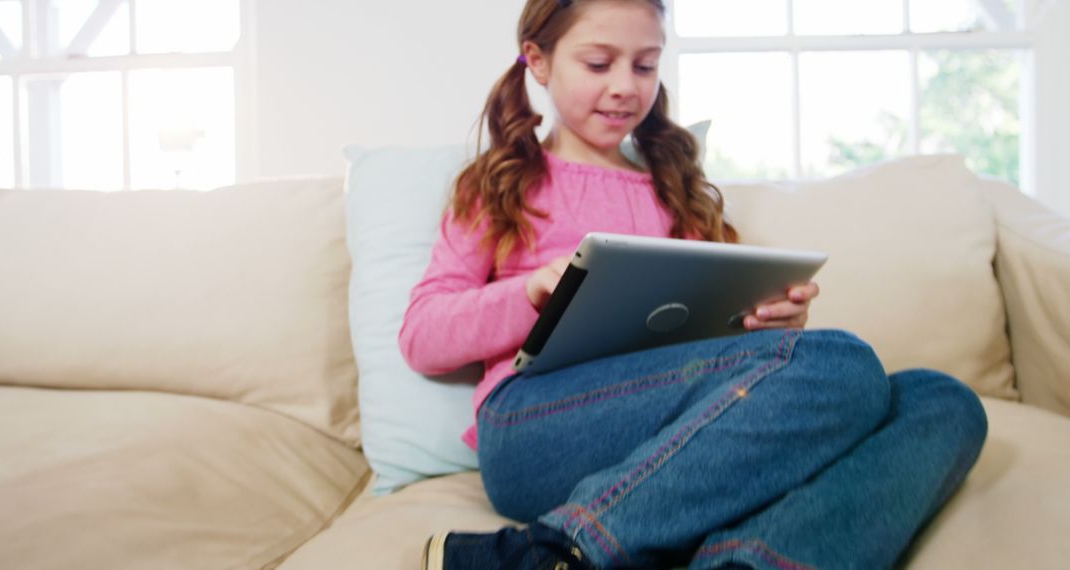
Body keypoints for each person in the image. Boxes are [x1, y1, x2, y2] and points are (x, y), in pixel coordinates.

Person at [398, 0, 988, 568]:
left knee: (943, 400)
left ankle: (750, 563)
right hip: (533, 426)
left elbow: (706, 339)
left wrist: (768, 322)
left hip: (679, 420)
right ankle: (559, 550)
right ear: (540, 59)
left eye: (646, 64)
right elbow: (422, 336)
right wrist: (528, 293)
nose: (627, 85)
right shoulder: (500, 183)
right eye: (599, 64)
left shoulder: (672, 186)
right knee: (844, 364)